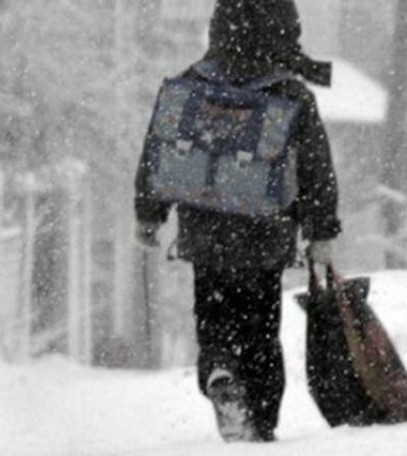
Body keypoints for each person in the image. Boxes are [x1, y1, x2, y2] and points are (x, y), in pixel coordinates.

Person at [134, 0, 341, 443]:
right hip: (264, 235)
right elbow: (315, 171)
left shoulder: (192, 83)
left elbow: (159, 148)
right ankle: (260, 423)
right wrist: (321, 232)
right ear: (287, 30)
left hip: (204, 231)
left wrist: (149, 214)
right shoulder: (289, 93)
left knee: (214, 316)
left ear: (218, 27)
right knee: (261, 326)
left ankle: (220, 369)